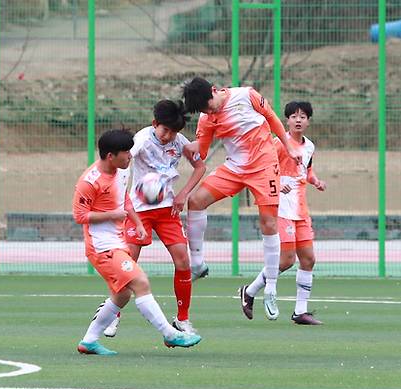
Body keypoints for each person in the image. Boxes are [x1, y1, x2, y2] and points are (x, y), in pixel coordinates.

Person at [73, 128, 202, 355]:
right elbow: (80, 216)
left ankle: (89, 340)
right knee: (140, 282)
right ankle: (171, 335)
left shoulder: (121, 172)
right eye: (126, 153)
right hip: (102, 247)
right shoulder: (89, 181)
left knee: (122, 294)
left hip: (118, 241)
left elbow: (124, 200)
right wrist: (111, 216)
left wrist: (138, 224)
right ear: (111, 155)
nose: (131, 156)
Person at [181, 77, 301, 321]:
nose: (210, 112)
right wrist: (180, 142)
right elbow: (201, 151)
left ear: (215, 91)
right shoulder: (206, 119)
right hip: (234, 169)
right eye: (205, 111)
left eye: (209, 105)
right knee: (195, 202)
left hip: (264, 167)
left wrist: (288, 147)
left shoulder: (247, 95)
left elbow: (272, 118)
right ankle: (198, 264)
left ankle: (270, 289)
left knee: (268, 223)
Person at [101, 100, 206, 338]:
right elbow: (123, 167)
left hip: (167, 210)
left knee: (183, 262)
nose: (169, 136)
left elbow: (200, 167)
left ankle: (182, 319)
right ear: (154, 124)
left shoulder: (180, 142)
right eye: (165, 130)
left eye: (174, 131)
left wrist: (182, 194)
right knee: (127, 265)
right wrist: (122, 200)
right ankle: (112, 316)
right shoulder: (141, 140)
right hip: (138, 211)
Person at [238, 101, 326, 325]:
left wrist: (315, 180)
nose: (298, 120)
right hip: (282, 208)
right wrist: (278, 181)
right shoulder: (278, 144)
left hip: (301, 209)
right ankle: (250, 291)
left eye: (303, 116)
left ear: (308, 121)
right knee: (286, 260)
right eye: (294, 116)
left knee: (308, 259)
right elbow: (263, 169)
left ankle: (300, 312)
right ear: (286, 120)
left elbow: (307, 169)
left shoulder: (309, 147)